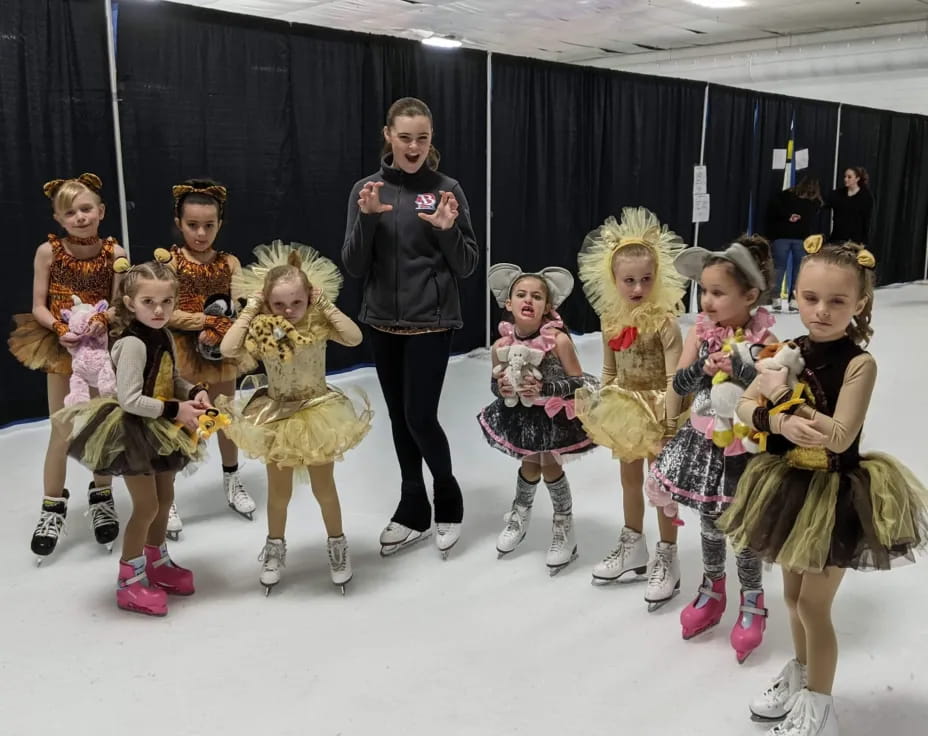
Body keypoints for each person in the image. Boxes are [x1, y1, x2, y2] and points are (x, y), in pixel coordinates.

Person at [719, 237, 927, 735]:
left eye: (838, 301)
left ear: (859, 304)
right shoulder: (788, 348)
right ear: (797, 293)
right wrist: (776, 420)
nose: (822, 310)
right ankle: (804, 671)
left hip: (835, 496)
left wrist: (789, 401)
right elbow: (741, 405)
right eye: (810, 297)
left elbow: (839, 435)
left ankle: (821, 704)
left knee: (814, 603)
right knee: (792, 597)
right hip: (789, 484)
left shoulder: (859, 364)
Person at [341, 97, 479, 558]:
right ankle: (412, 506)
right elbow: (355, 266)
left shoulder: (447, 190)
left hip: (432, 323)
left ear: (431, 138)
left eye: (422, 137)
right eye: (405, 137)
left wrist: (445, 229)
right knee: (400, 419)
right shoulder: (368, 190)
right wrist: (366, 218)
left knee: (421, 415)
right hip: (382, 321)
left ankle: (447, 495)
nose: (414, 146)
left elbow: (467, 265)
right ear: (388, 136)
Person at [647, 237, 777, 662]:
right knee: (709, 519)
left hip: (744, 446)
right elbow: (679, 384)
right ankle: (712, 588)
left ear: (750, 295)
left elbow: (769, 388)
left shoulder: (764, 339)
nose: (707, 300)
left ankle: (753, 600)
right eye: (703, 290)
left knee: (743, 527)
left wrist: (737, 367)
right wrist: (702, 370)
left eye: (718, 292)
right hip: (704, 441)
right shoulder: (700, 334)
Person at [57, 253, 207, 615]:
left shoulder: (164, 333)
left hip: (161, 426)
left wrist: (191, 392)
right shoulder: (133, 343)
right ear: (129, 303)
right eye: (148, 302)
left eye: (167, 302)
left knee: (166, 498)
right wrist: (176, 409)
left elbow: (170, 378)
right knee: (147, 506)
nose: (159, 309)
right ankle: (129, 580)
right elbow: (129, 400)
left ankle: (157, 563)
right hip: (134, 431)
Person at [218, 242, 372, 594]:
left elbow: (354, 337)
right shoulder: (262, 325)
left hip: (317, 409)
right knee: (279, 492)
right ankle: (275, 547)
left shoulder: (318, 321)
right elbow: (227, 350)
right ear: (268, 302)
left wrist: (324, 305)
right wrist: (252, 308)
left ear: (309, 297)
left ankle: (337, 545)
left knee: (323, 487)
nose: (288, 311)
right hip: (277, 413)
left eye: (297, 302)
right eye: (279, 304)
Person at [573, 207, 687, 608]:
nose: (638, 287)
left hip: (659, 409)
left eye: (646, 279)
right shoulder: (610, 319)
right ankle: (633, 543)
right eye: (629, 280)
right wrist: (603, 402)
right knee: (629, 480)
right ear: (614, 280)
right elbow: (608, 369)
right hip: (625, 407)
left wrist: (672, 421)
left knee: (662, 488)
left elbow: (675, 376)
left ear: (657, 278)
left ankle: (668, 555)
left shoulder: (665, 322)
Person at [8, 173, 125, 561]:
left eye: (86, 208)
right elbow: (39, 303)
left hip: (100, 347)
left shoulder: (115, 252)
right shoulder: (49, 251)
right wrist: (60, 327)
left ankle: (102, 493)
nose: (79, 217)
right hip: (61, 347)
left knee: (101, 426)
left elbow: (121, 301)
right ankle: (52, 504)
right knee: (61, 428)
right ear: (59, 219)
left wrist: (103, 322)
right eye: (69, 212)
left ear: (101, 211)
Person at [478, 263, 595, 573]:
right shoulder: (502, 346)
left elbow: (578, 381)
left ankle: (563, 525)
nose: (528, 301)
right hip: (522, 415)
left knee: (548, 463)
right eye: (521, 294)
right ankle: (520, 514)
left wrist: (545, 387)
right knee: (529, 462)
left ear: (548, 306)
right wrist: (501, 387)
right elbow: (496, 383)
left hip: (553, 414)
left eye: (536, 296)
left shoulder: (557, 341)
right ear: (508, 303)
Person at [164, 179, 255, 538]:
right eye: (192, 225)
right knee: (184, 422)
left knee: (224, 416)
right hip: (183, 354)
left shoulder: (228, 262)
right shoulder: (170, 262)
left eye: (209, 225)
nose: (201, 234)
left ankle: (232, 478)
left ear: (220, 224)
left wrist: (224, 324)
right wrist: (205, 320)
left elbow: (238, 305)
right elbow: (163, 311)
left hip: (220, 351)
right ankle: (165, 494)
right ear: (178, 222)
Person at [766, 176, 823, 311]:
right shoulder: (813, 202)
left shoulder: (784, 196)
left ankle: (776, 299)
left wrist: (787, 216)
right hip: (802, 238)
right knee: (799, 270)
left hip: (781, 236)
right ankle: (795, 300)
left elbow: (772, 210)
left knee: (779, 268)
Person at [824, 167, 873, 245]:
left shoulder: (865, 197)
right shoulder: (838, 193)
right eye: (845, 177)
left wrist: (864, 241)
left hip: (853, 241)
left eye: (849, 177)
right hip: (837, 237)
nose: (846, 179)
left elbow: (866, 220)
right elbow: (825, 204)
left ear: (857, 178)